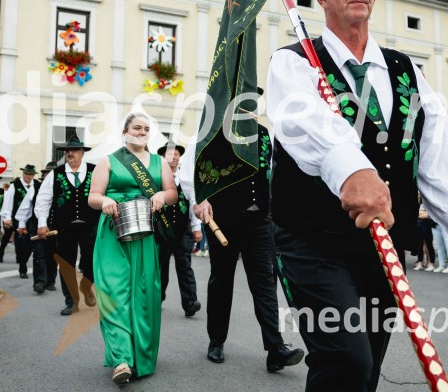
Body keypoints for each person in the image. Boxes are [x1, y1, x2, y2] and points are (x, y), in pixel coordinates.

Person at [265, 0, 448, 392]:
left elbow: (437, 149)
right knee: (343, 358)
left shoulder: (406, 71)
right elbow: (306, 124)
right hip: (313, 241)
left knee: (368, 363)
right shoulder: (294, 62)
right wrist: (352, 169)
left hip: (387, 240)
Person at [180, 106, 305, 372]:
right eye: (242, 107)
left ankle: (275, 349)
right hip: (223, 220)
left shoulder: (264, 133)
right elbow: (187, 172)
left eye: (252, 107)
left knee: (264, 284)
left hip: (259, 221)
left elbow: (273, 173)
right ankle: (216, 341)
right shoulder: (211, 134)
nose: (250, 112)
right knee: (221, 281)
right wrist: (199, 201)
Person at [87, 113, 178, 384]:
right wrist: (103, 202)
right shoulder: (109, 161)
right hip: (113, 233)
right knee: (114, 293)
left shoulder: (160, 162)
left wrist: (162, 195)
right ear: (125, 131)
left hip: (145, 233)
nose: (141, 132)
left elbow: (172, 192)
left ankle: (141, 355)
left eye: (146, 129)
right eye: (136, 127)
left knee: (144, 294)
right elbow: (93, 195)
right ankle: (121, 360)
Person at [34, 137, 97, 315]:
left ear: (82, 153)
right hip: (64, 228)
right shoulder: (56, 174)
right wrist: (41, 224)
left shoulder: (95, 171)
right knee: (66, 264)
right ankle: (72, 302)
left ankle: (86, 285)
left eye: (75, 150)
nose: (70, 153)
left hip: (90, 226)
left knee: (93, 260)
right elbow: (43, 200)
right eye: (68, 151)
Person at [156, 143, 202, 317]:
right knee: (161, 267)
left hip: (183, 230)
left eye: (176, 154)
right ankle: (157, 298)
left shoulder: (186, 177)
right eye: (170, 154)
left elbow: (193, 202)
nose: (173, 157)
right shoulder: (156, 177)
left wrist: (197, 227)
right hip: (161, 230)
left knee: (185, 266)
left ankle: (190, 302)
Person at [16, 161, 57, 293]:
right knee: (39, 253)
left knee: (53, 254)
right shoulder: (35, 187)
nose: (49, 176)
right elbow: (25, 207)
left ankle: (50, 280)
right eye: (47, 174)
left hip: (55, 227)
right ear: (43, 175)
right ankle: (39, 282)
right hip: (36, 225)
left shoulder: (63, 187)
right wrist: (22, 224)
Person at [0, 164, 38, 276]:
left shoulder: (37, 185)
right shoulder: (14, 185)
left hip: (32, 220)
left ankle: (23, 261)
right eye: (26, 174)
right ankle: (22, 268)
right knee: (21, 242)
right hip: (18, 218)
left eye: (30, 174)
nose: (28, 176)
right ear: (23, 174)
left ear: (33, 175)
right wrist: (7, 218)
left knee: (30, 244)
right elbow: (8, 202)